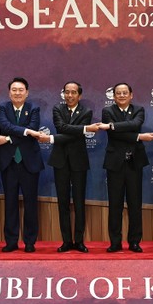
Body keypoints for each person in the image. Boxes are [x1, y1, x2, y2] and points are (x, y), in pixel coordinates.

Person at [38, 81, 99, 253]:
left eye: (73, 92)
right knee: (63, 202)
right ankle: (66, 241)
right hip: (60, 160)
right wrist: (84, 128)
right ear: (63, 93)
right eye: (67, 92)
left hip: (79, 161)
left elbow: (72, 135)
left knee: (79, 202)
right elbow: (62, 128)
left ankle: (79, 241)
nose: (70, 95)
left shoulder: (86, 111)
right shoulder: (58, 109)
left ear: (79, 95)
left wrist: (53, 139)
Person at [98, 83, 153, 253]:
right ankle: (115, 242)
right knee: (115, 204)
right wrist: (138, 136)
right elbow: (115, 134)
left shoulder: (139, 110)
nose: (121, 95)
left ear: (131, 94)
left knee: (135, 204)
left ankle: (134, 242)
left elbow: (135, 124)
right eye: (118, 93)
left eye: (125, 93)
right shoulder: (107, 111)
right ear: (114, 96)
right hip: (115, 163)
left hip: (134, 162)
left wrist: (112, 126)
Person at [0, 77, 45, 253]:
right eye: (14, 90)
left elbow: (34, 129)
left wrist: (8, 138)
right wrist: (25, 131)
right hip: (8, 162)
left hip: (29, 162)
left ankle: (30, 241)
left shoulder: (34, 109)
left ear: (27, 92)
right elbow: (5, 125)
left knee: (31, 203)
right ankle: (11, 241)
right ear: (9, 93)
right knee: (10, 202)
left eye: (21, 90)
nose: (17, 93)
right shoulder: (3, 108)